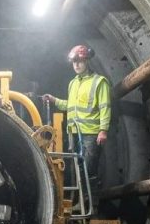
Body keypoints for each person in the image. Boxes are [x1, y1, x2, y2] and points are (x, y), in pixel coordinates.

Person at [43, 44, 112, 192]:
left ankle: (90, 201)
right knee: (76, 169)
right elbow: (71, 106)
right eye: (74, 62)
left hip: (91, 134)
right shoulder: (73, 83)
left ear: (87, 61)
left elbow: (105, 107)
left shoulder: (99, 82)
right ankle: (78, 200)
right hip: (74, 133)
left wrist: (103, 130)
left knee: (88, 169)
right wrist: (55, 100)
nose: (77, 65)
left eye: (80, 61)